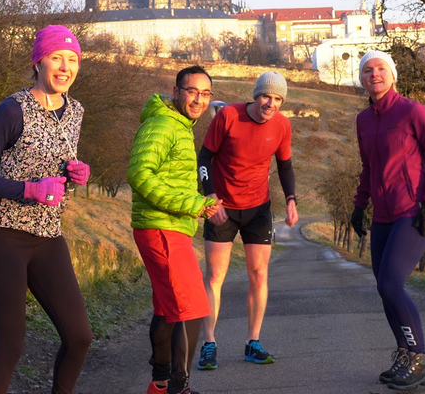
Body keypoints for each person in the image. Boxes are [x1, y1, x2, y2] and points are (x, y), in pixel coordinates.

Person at [0, 25, 93, 394]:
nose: (65, 67)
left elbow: (54, 158)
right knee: (10, 346)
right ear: (38, 62)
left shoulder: (75, 110)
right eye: (56, 58)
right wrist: (29, 190)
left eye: (72, 59)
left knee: (80, 336)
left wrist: (77, 170)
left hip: (48, 236)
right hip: (0, 237)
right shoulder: (12, 110)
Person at [350, 50, 425, 391]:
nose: (373, 74)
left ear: (392, 76)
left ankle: (419, 358)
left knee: (392, 284)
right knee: (384, 289)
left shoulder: (413, 111)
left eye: (380, 69)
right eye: (367, 70)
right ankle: (406, 355)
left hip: (413, 212)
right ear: (361, 78)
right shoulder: (364, 120)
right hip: (382, 216)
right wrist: (358, 205)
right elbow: (368, 168)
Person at [196, 71, 299, 370]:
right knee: (215, 276)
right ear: (256, 95)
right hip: (222, 208)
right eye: (266, 96)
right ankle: (209, 343)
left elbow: (285, 165)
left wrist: (291, 199)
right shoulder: (228, 116)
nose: (271, 103)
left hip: (258, 209)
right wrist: (211, 198)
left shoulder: (282, 125)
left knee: (259, 274)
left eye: (278, 99)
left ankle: (253, 342)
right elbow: (204, 158)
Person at [128, 65, 222, 394]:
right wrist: (192, 204)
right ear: (176, 91)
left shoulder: (181, 126)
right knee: (192, 308)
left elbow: (168, 180)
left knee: (168, 309)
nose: (198, 99)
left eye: (205, 93)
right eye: (192, 91)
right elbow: (139, 175)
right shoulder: (162, 124)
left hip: (169, 227)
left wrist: (200, 202)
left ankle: (160, 384)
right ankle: (178, 389)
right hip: (161, 227)